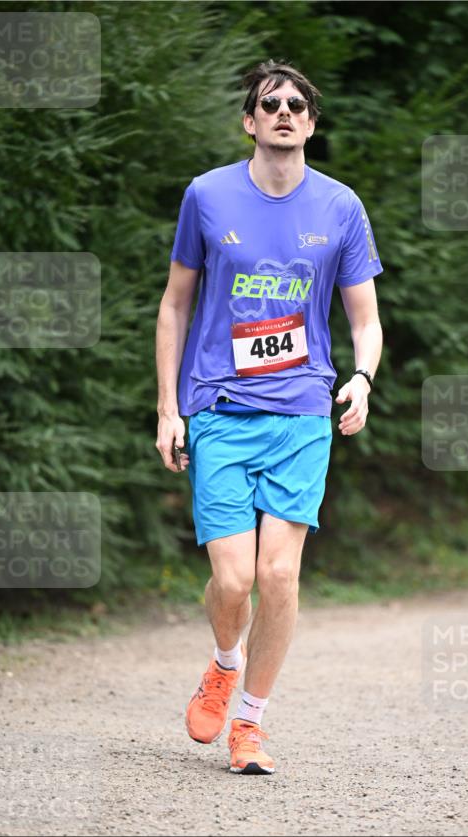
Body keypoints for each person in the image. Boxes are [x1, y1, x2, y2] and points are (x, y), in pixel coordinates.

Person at [155, 59, 383, 775]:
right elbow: (174, 306)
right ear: (250, 120)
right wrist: (168, 409)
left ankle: (248, 725)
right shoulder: (207, 196)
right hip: (219, 408)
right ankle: (224, 663)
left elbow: (366, 320)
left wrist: (362, 377)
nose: (284, 111)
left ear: (310, 123)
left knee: (277, 577)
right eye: (269, 103)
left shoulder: (339, 207)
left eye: (296, 104)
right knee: (232, 582)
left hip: (300, 414)